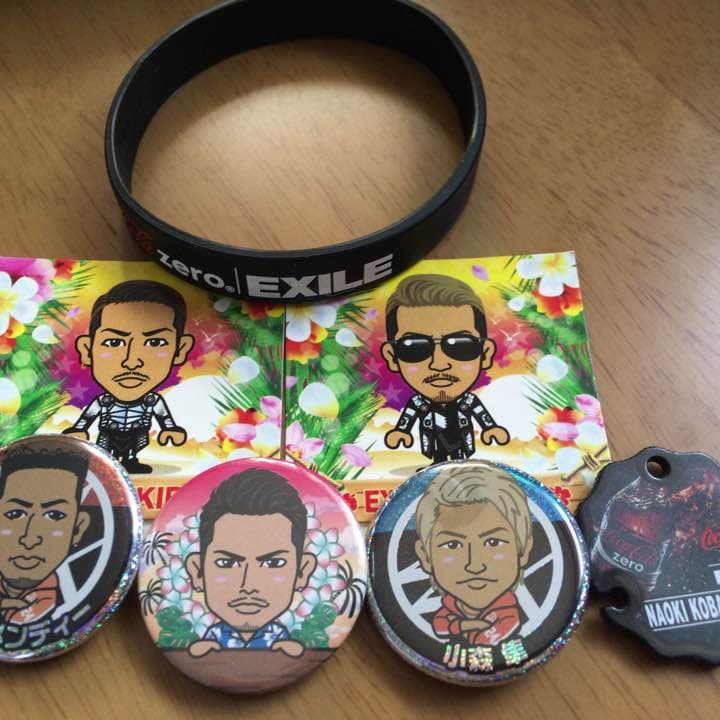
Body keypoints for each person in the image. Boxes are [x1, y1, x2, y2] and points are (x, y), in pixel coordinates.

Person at [63, 280, 195, 474]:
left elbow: (164, 417)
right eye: (114, 342)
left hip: (138, 431)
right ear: (87, 350)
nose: (131, 362)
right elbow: (88, 417)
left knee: (135, 448)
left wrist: (169, 429)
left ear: (180, 349)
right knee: (104, 449)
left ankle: (130, 460)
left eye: (155, 342)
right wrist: (80, 429)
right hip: (108, 432)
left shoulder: (152, 401)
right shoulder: (104, 401)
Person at [185, 469, 317, 657]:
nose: (248, 585)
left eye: (273, 563)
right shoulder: (213, 636)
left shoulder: (279, 637)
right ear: (197, 572)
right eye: (226, 563)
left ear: (302, 572)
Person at [381, 274, 510, 465]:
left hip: (460, 438)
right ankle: (438, 463)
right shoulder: (418, 403)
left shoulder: (468, 401)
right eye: (414, 347)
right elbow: (408, 416)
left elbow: (480, 413)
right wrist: (401, 431)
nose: (439, 363)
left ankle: (459, 463)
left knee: (459, 456)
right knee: (439, 455)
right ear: (392, 357)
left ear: (485, 353)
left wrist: (490, 428)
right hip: (434, 440)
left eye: (461, 345)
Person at [414, 463, 533, 647]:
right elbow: (439, 626)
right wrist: (466, 626)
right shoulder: (450, 605)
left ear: (523, 549)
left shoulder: (507, 614)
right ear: (425, 556)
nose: (475, 565)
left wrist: (461, 628)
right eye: (453, 545)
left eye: (493, 542)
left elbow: (485, 642)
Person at [0, 444, 90, 625]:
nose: (29, 539)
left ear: (78, 528)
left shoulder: (67, 602)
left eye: (54, 515)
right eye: (15, 514)